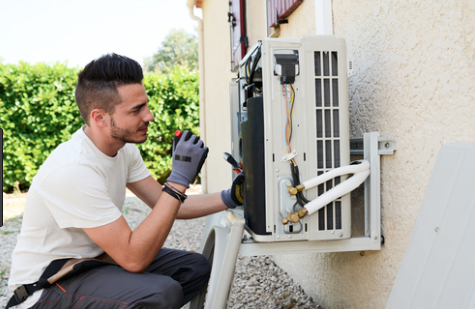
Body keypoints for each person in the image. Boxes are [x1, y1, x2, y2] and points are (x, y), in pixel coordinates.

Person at [7, 53, 244, 309]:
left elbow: (172, 205)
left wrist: (232, 197)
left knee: (193, 267)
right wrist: (178, 180)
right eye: (136, 110)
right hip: (47, 287)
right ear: (99, 117)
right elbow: (134, 259)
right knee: (159, 293)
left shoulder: (124, 149)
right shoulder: (73, 169)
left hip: (95, 264)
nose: (149, 116)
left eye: (145, 104)